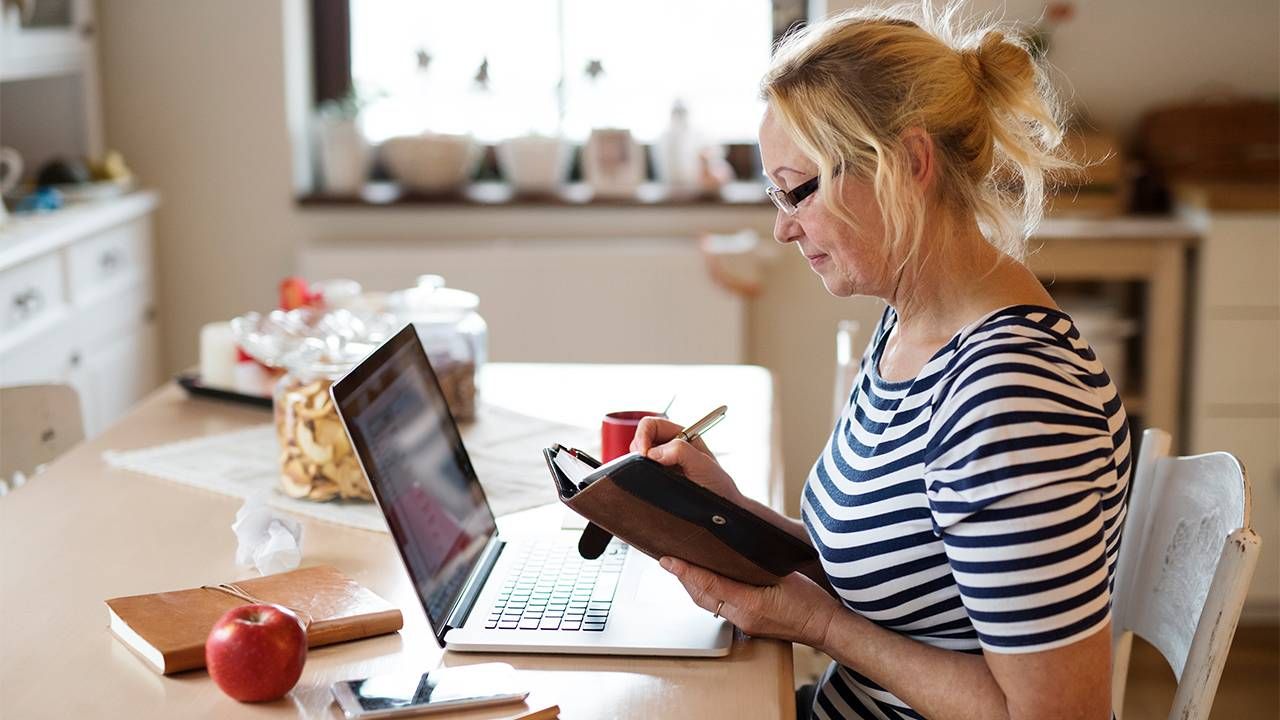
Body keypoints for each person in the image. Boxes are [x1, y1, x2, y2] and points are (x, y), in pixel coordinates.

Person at [632, 4, 1129, 719]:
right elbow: (900, 577)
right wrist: (727, 512)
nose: (782, 227)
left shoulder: (1011, 398)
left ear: (911, 164)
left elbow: (1052, 717)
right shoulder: (912, 324)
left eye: (799, 189)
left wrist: (816, 624)